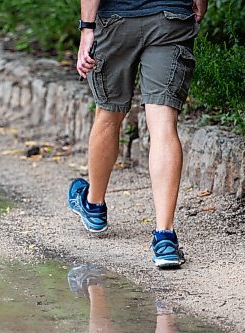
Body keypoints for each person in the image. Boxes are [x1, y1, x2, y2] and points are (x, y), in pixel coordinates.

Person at [67, 0, 207, 268]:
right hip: (170, 19)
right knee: (164, 123)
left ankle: (94, 205)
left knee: (108, 113)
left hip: (116, 19)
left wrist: (87, 28)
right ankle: (165, 238)